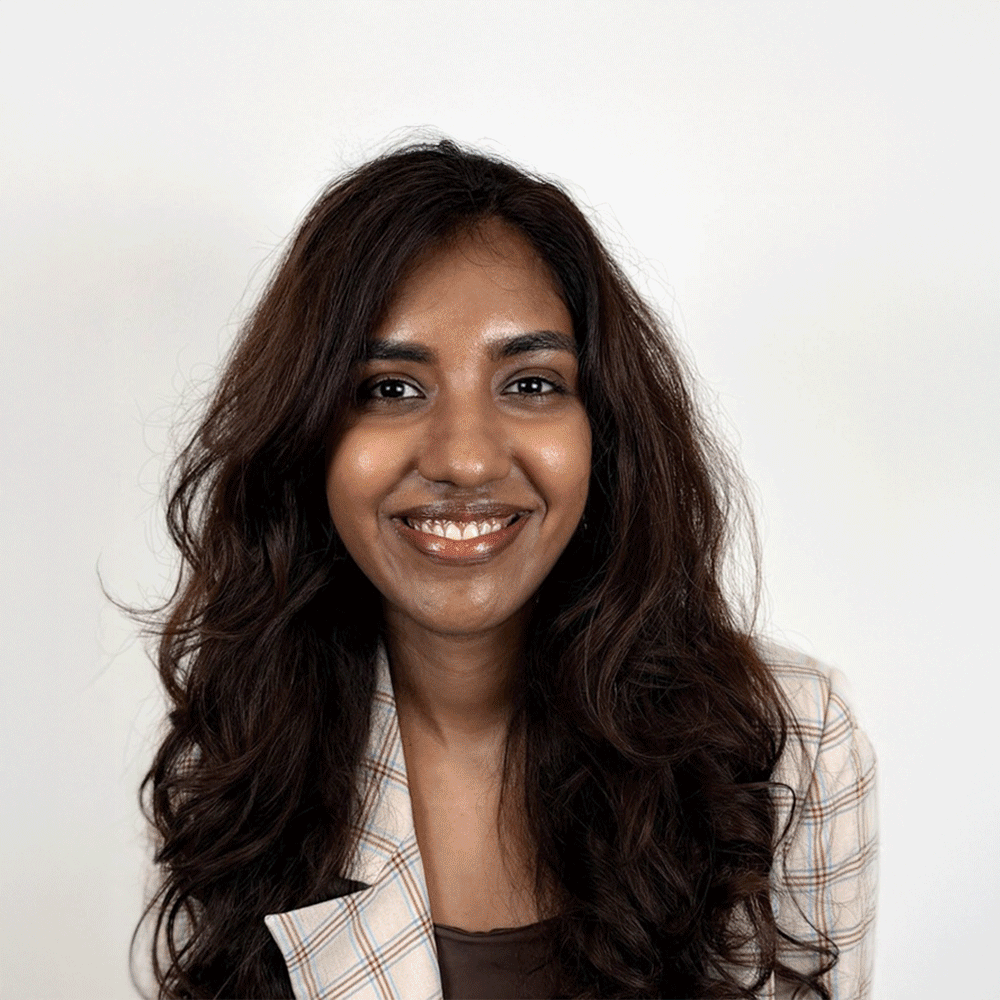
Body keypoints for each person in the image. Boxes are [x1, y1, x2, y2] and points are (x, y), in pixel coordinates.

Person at [137, 139, 877, 1000]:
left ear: (605, 431)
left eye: (530, 384)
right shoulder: (241, 756)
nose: (466, 460)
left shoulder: (787, 747)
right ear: (306, 438)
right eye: (390, 388)